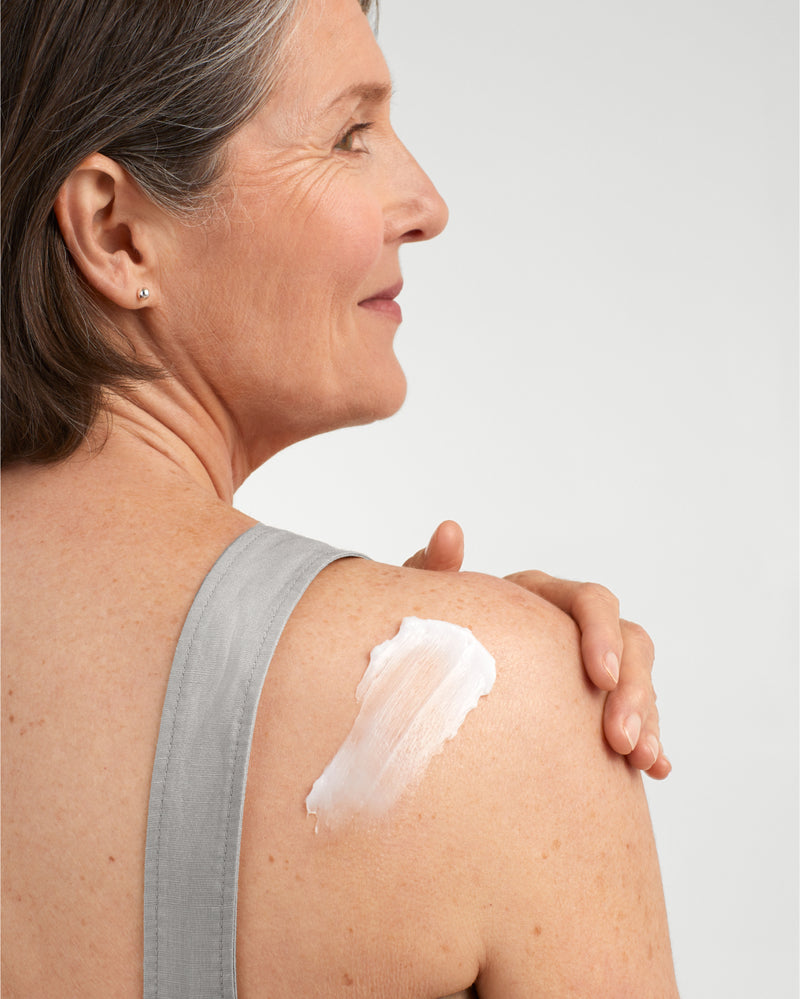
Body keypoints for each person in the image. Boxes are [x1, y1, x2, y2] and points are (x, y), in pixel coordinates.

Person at [1, 0, 678, 996]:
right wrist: (516, 700)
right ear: (118, 231)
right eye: (349, 133)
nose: (426, 201)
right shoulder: (494, 706)